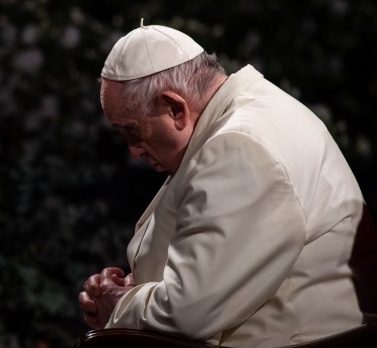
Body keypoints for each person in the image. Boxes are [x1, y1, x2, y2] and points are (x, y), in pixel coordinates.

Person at [78, 20, 368, 347]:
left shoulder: (240, 147)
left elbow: (189, 312)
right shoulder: (251, 111)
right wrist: (131, 286)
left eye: (133, 131)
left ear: (175, 108)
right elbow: (220, 265)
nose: (132, 152)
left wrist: (120, 307)